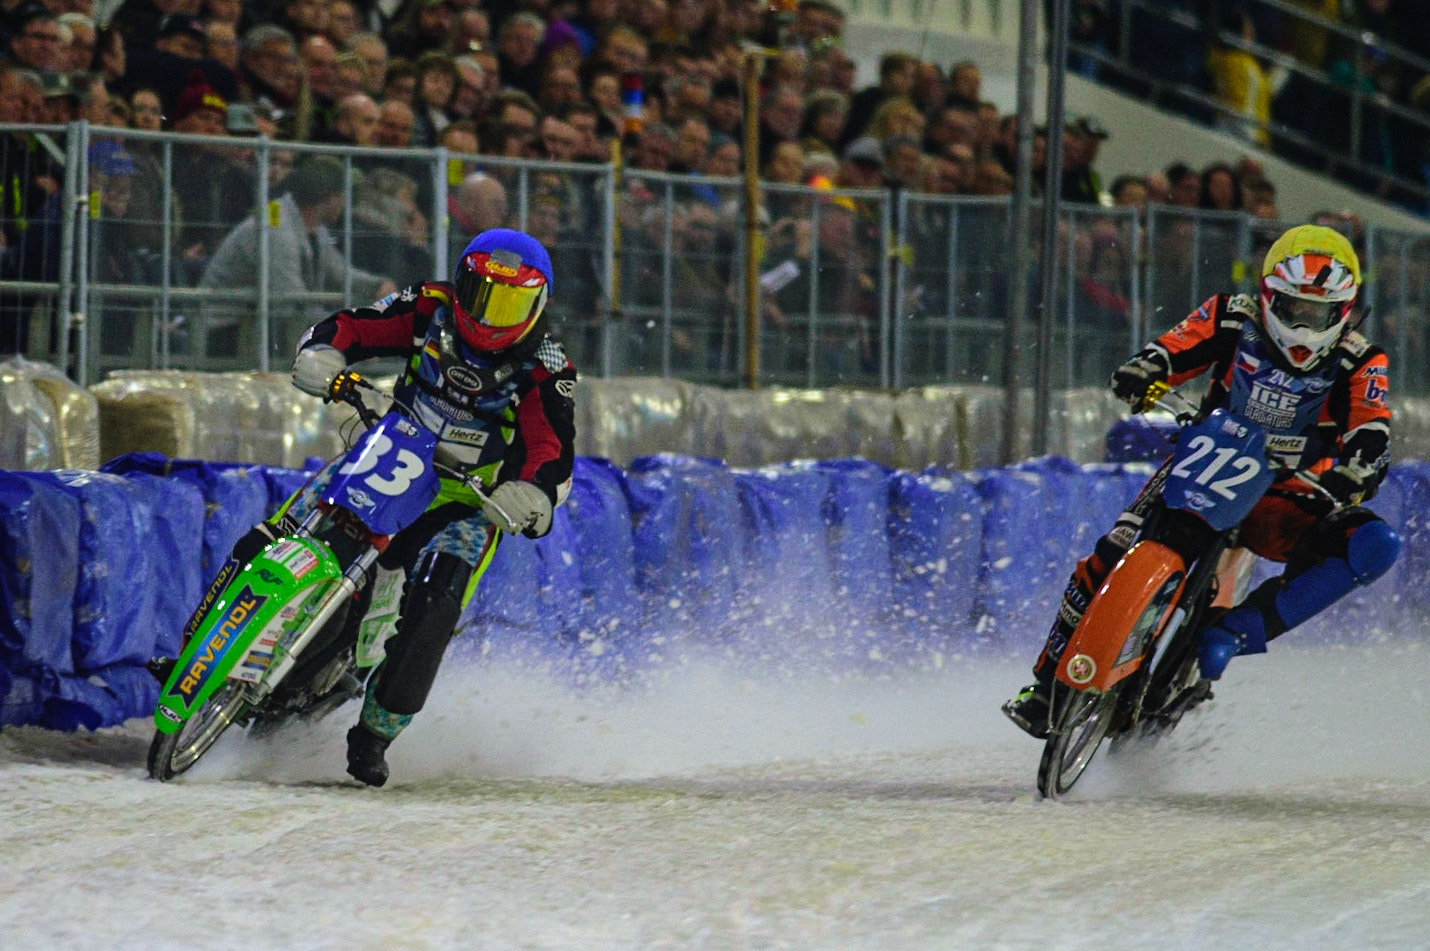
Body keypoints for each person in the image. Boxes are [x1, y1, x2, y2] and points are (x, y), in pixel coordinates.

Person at [1002, 225, 1401, 737]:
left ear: (1343, 312)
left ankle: (1239, 630)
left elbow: (1372, 422)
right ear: (1267, 295)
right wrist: (1146, 370)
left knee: (1374, 545)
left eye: (1316, 314)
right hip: (1208, 460)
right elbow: (1174, 347)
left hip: (1292, 491)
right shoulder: (1231, 316)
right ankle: (1044, 685)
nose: (1302, 325)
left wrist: (1358, 470)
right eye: (1291, 307)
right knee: (1110, 553)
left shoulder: (1362, 358)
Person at [287, 227, 577, 785]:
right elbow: (354, 325)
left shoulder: (548, 366)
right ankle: (210, 636)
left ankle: (376, 732)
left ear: (538, 304)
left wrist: (533, 491)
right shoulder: (428, 307)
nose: (490, 316)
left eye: (510, 302)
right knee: (298, 525)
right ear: (460, 281)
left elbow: (551, 448)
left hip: (471, 498)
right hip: (391, 456)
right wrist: (324, 352)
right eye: (480, 294)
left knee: (438, 601)